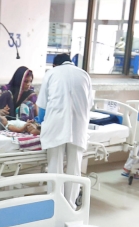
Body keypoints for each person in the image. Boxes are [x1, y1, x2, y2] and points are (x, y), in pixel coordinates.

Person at [38, 53, 94, 206]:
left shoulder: (51, 74)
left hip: (56, 124)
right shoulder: (84, 75)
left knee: (55, 165)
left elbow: (42, 106)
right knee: (75, 166)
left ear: (54, 65)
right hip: (78, 126)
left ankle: (55, 203)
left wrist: (39, 123)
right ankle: (70, 204)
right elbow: (89, 104)